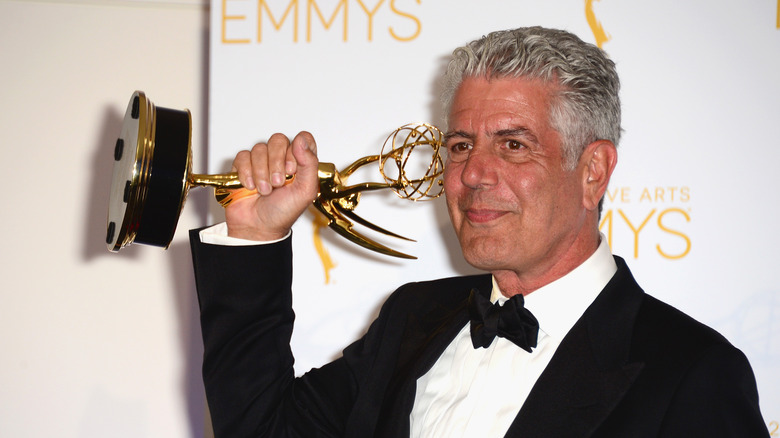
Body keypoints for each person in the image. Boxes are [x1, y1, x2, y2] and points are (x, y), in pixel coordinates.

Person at [190, 27, 769, 437]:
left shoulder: (694, 373)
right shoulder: (410, 321)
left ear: (593, 171)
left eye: (513, 145)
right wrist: (253, 237)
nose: (472, 175)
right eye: (461, 146)